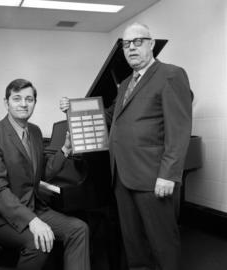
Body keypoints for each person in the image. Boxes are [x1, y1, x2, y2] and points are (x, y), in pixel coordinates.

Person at [60, 22, 192, 270]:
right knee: (134, 246)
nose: (131, 48)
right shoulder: (125, 85)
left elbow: (180, 130)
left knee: (162, 245)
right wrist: (74, 108)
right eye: (126, 44)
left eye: (138, 42)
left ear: (151, 44)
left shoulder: (171, 75)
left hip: (153, 179)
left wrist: (168, 175)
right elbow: (109, 117)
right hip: (122, 178)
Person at [0, 78, 90, 270]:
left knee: (79, 229)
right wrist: (32, 221)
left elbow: (42, 173)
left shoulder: (35, 132)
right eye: (17, 98)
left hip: (34, 208)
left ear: (34, 103)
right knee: (38, 242)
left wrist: (64, 150)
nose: (23, 104)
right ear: (6, 103)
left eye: (29, 99)